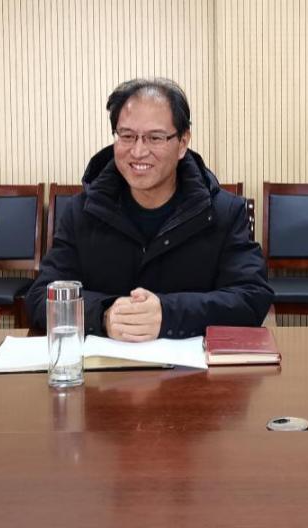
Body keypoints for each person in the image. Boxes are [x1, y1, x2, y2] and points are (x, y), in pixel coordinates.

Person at [26, 78, 273, 340]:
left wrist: (168, 314)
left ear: (183, 142)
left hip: (190, 365)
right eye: (127, 136)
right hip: (104, 364)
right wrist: (104, 315)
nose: (138, 151)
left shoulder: (225, 213)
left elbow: (251, 298)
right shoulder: (81, 212)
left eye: (155, 138)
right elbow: (42, 296)